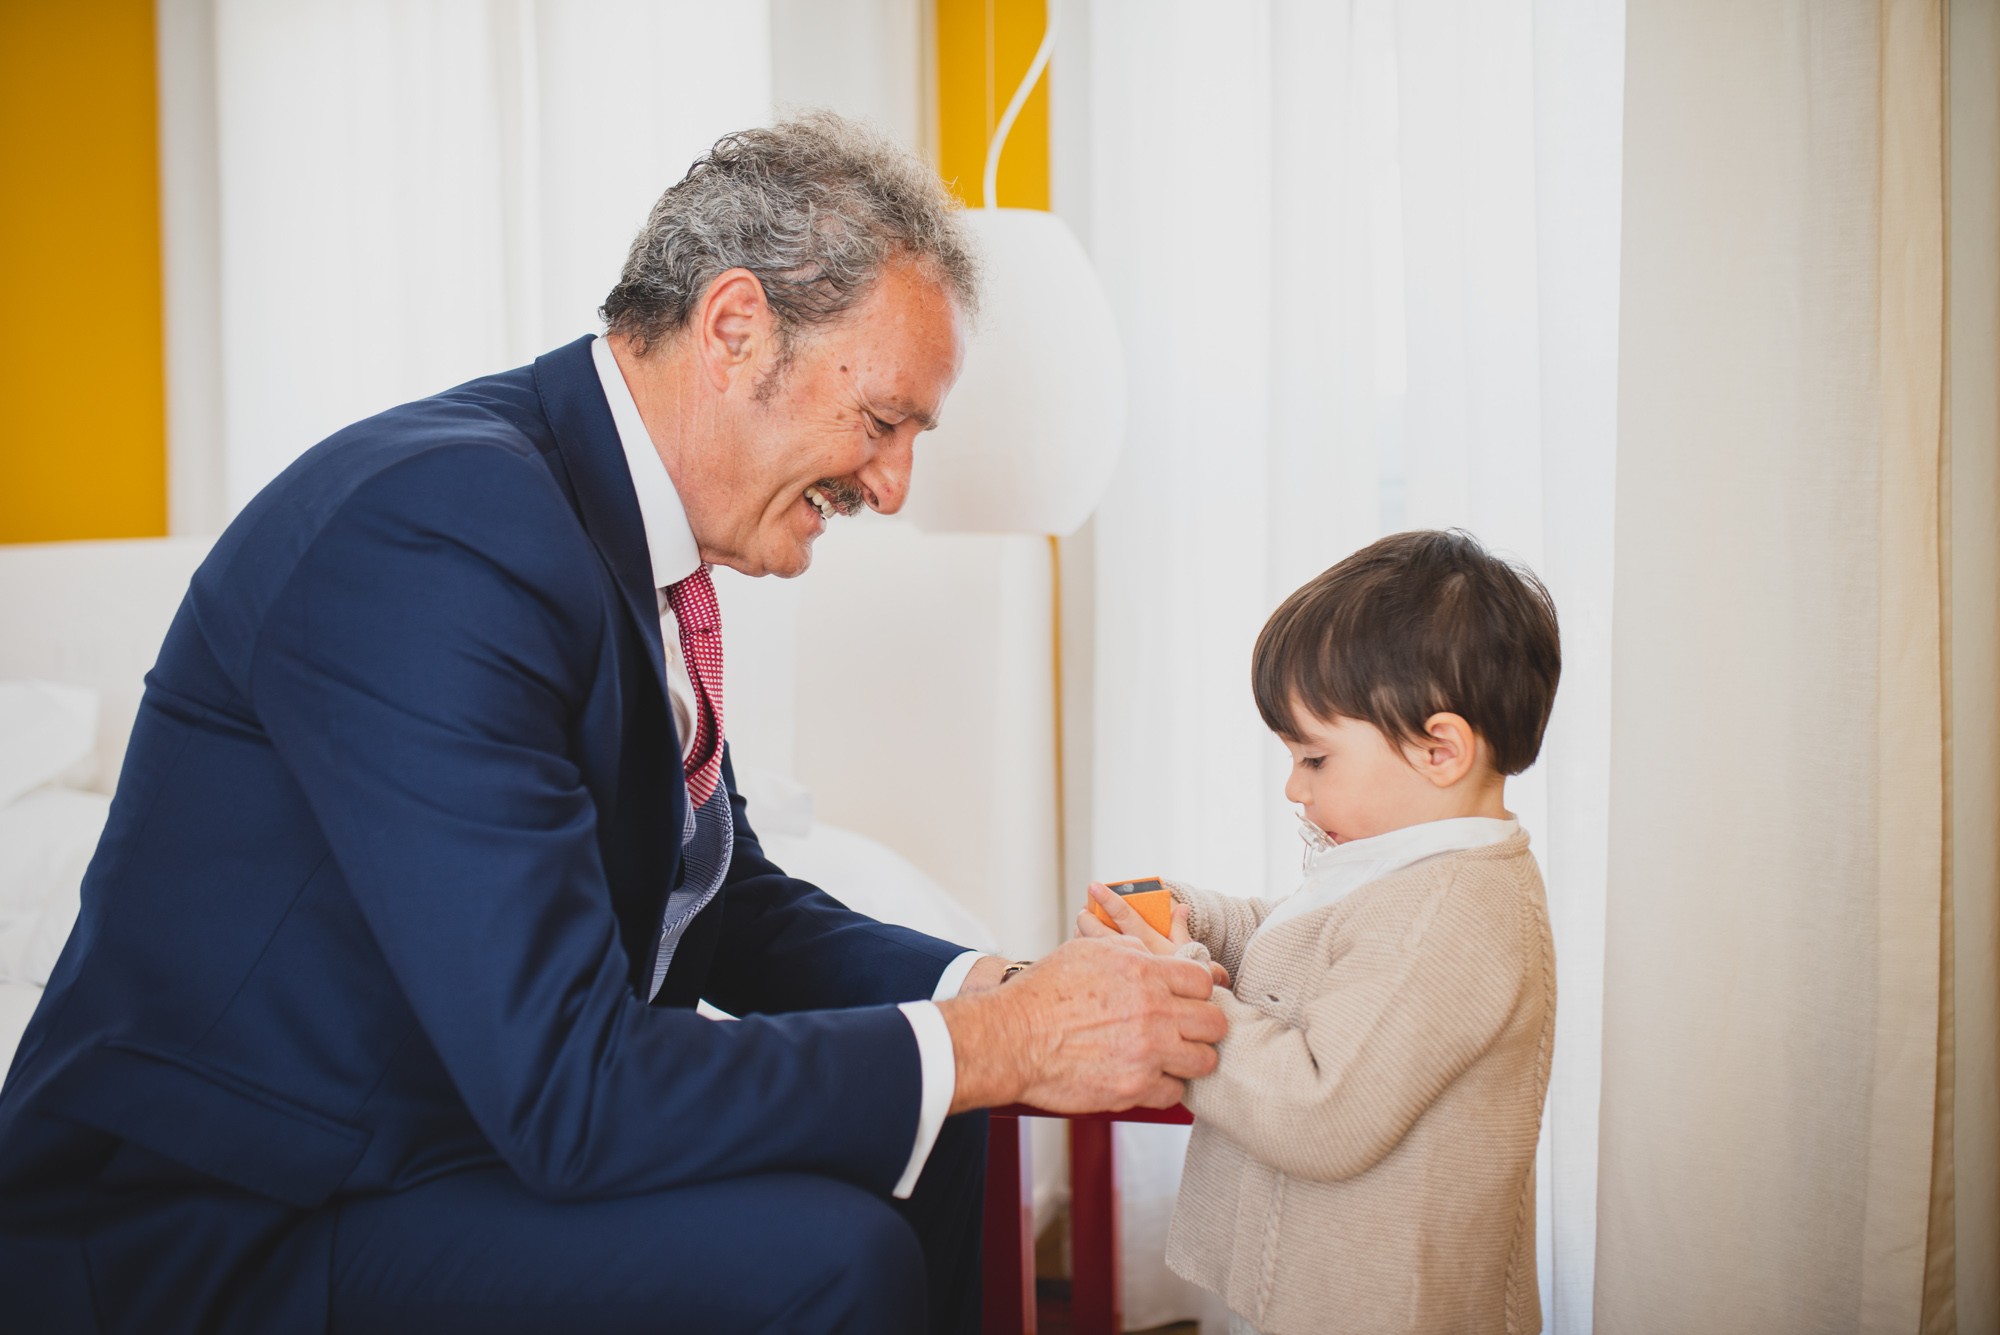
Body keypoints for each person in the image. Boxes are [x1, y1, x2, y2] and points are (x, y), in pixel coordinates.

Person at [0, 113, 1225, 1335]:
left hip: (444, 1132)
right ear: (736, 329)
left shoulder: (616, 540)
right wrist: (993, 1042)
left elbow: (727, 898)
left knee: (937, 1130)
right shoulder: (443, 529)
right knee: (831, 1255)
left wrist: (1004, 991)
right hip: (229, 1220)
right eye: (883, 420)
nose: (893, 486)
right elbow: (570, 1086)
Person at [1082, 529, 1561, 1335]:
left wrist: (1185, 995)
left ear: (1439, 748)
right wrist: (1192, 917)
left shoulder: (1450, 909)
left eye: (1314, 759)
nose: (1293, 787)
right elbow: (1303, 947)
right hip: (1317, 1289)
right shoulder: (1407, 867)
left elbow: (1320, 1108)